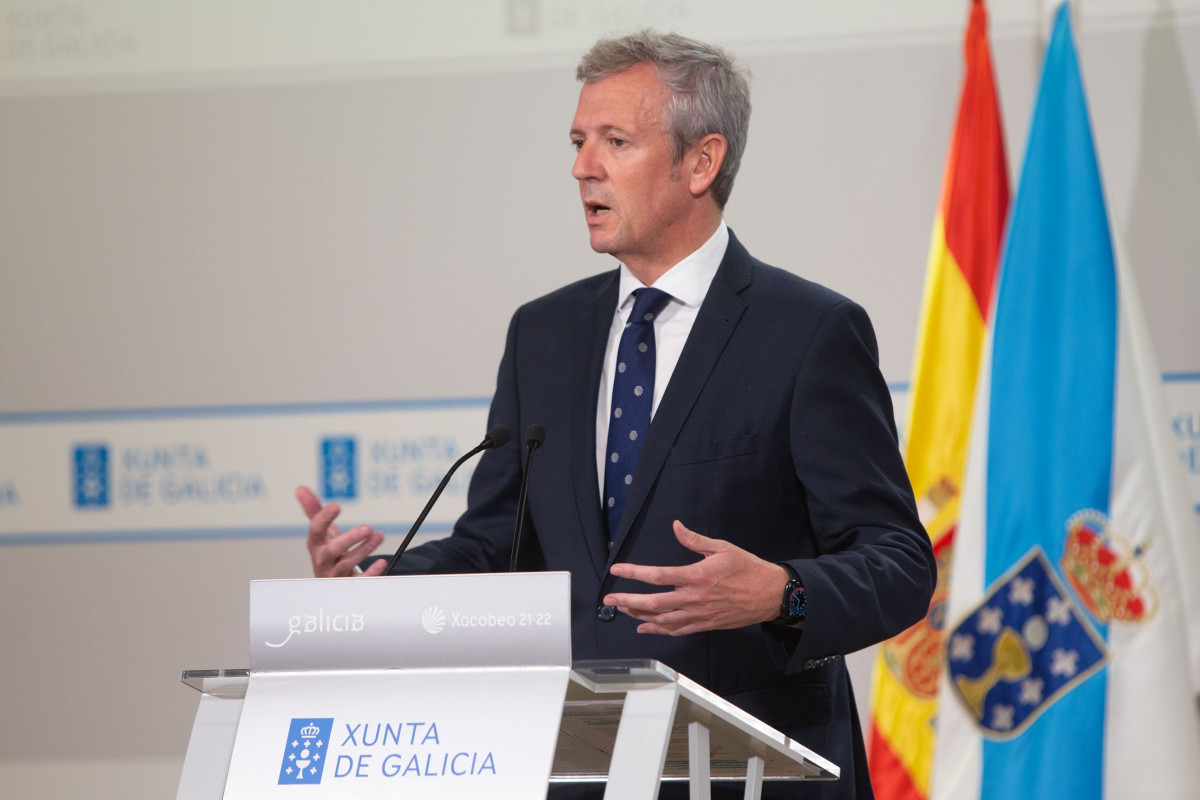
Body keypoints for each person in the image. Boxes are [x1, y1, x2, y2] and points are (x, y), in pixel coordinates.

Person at [296, 30, 935, 799]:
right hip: (579, 766)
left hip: (756, 771)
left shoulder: (806, 332)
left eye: (614, 142)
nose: (581, 167)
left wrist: (781, 593)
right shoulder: (544, 333)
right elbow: (498, 542)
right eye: (577, 142)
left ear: (701, 162)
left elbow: (898, 562)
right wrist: (384, 585)